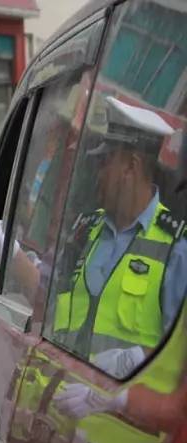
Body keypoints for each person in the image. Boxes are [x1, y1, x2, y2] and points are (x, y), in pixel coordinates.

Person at [42, 97, 187, 420]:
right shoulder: (85, 231)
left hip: (131, 423)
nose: (97, 173)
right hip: (66, 416)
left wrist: (134, 358)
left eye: (105, 161)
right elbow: (43, 295)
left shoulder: (177, 247)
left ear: (131, 167)